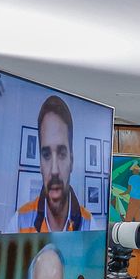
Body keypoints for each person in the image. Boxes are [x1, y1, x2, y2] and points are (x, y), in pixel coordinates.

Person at [7, 95, 94, 232]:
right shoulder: (18, 223)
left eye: (61, 154)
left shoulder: (90, 225)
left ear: (71, 161)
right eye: (46, 155)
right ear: (40, 164)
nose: (54, 170)